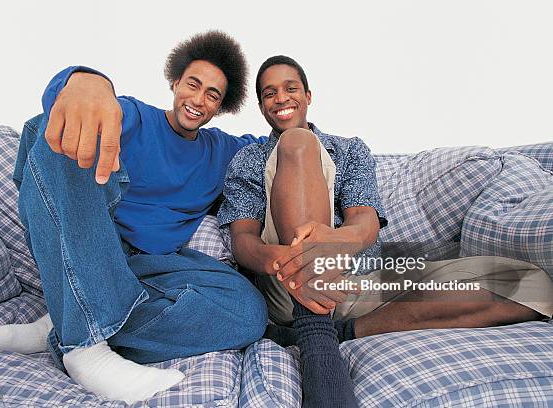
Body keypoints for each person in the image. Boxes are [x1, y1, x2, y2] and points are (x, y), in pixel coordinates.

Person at [217, 55, 553, 408]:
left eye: (291, 88)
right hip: (286, 286)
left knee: (527, 281)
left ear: (309, 95)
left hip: (359, 286)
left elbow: (365, 221)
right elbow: (243, 240)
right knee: (297, 142)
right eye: (270, 93)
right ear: (260, 106)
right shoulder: (249, 159)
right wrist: (287, 260)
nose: (281, 98)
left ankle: (341, 331)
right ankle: (314, 328)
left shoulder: (350, 150)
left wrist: (334, 241)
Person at [0, 31, 269, 404]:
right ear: (175, 82)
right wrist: (86, 81)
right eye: (193, 84)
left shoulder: (222, 149)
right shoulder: (133, 116)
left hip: (155, 265)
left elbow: (274, 146)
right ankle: (86, 350)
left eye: (212, 95)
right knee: (56, 131)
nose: (198, 100)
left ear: (220, 107)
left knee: (247, 311)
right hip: (93, 244)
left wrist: (310, 137)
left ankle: (65, 322)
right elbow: (77, 102)